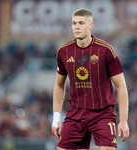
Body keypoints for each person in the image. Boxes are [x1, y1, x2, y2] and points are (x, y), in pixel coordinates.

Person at [51, 8, 130, 150]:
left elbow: (121, 85)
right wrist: (56, 118)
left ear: (91, 25)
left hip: (103, 113)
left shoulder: (106, 50)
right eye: (74, 23)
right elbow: (59, 85)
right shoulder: (64, 51)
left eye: (81, 23)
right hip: (75, 112)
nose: (76, 27)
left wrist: (123, 120)